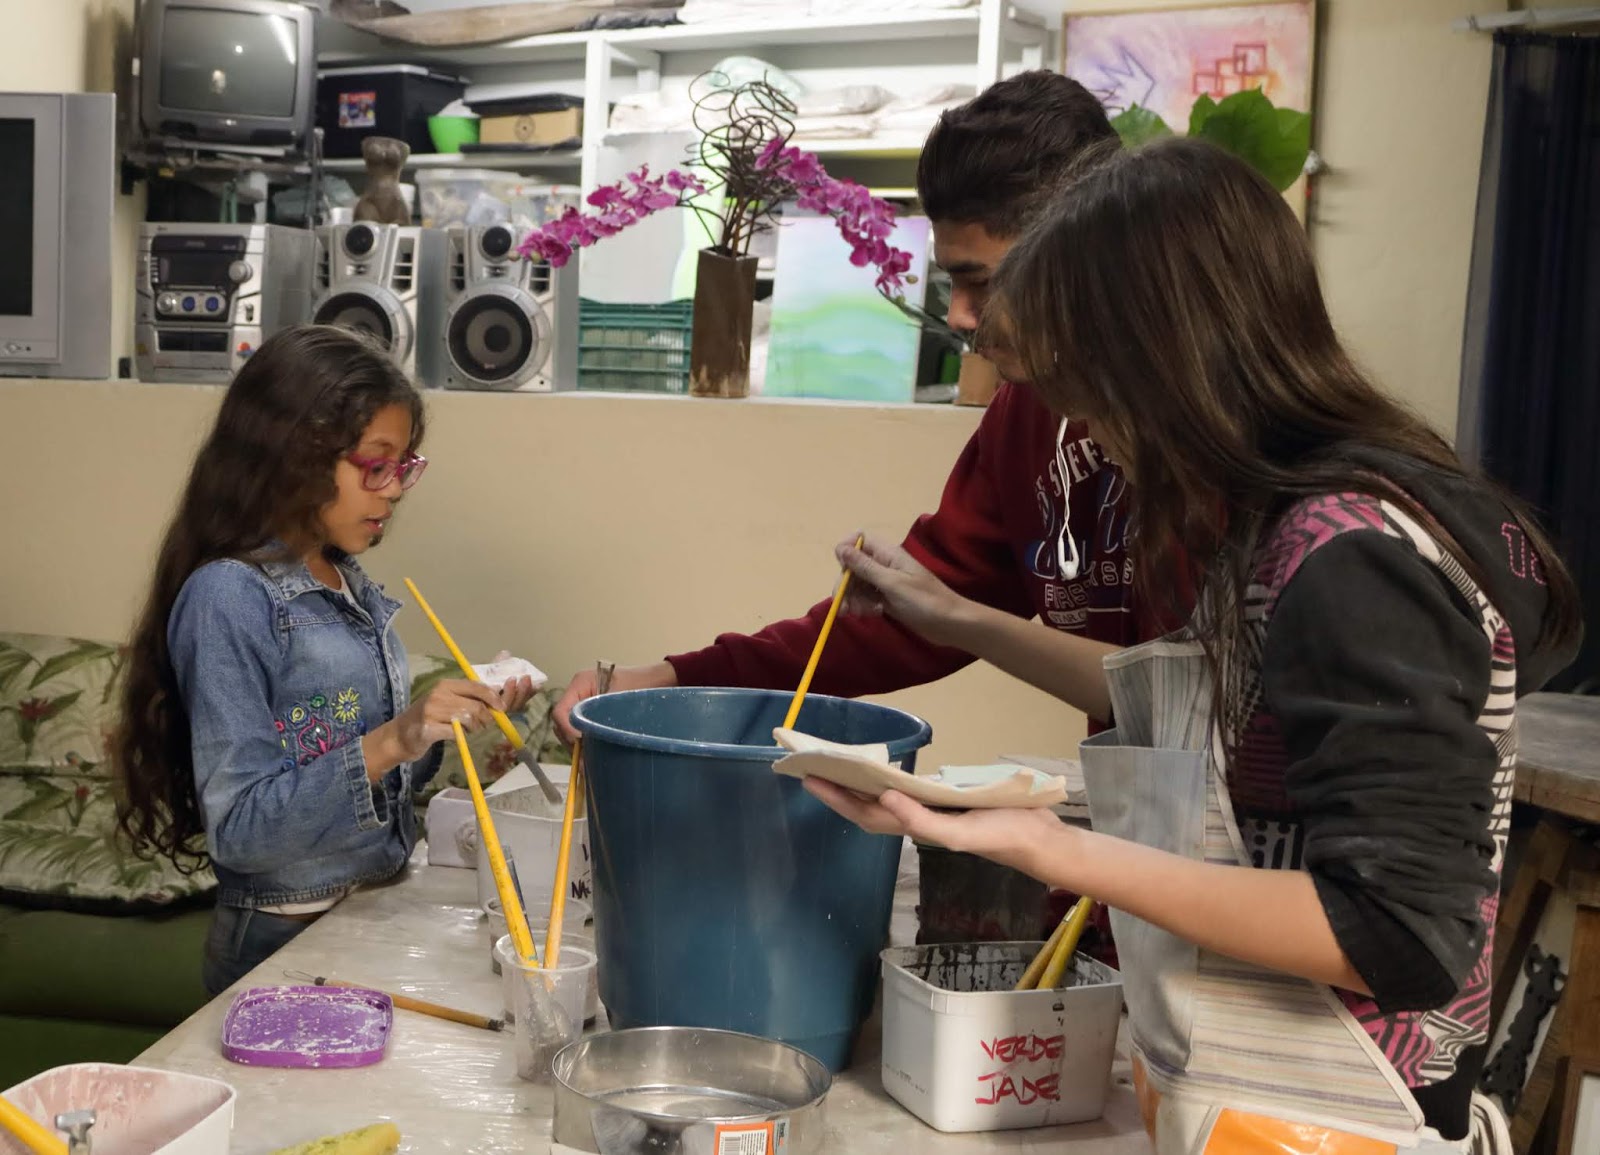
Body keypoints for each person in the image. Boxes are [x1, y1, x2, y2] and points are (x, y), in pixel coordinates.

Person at [806, 139, 1582, 1152]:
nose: (1088, 436)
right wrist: (958, 618)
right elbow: (1207, 699)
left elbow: (1400, 933)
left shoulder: (1353, 555)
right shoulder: (1285, 517)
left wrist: (1056, 847)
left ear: (1164, 363)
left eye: (1087, 398)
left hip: (1345, 1115)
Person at [553, 71, 1174, 739]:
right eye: (953, 283)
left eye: (982, 282)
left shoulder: (1206, 425)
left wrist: (956, 617)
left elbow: (1193, 692)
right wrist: (679, 677)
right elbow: (904, 623)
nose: (960, 317)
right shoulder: (1024, 416)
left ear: (1079, 252)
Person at [113, 325, 535, 995]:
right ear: (296, 455)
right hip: (282, 937)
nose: (394, 489)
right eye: (377, 464)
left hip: (363, 913)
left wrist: (433, 727)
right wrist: (393, 738)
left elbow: (360, 771)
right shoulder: (229, 596)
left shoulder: (344, 580)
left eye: (406, 465)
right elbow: (241, 831)